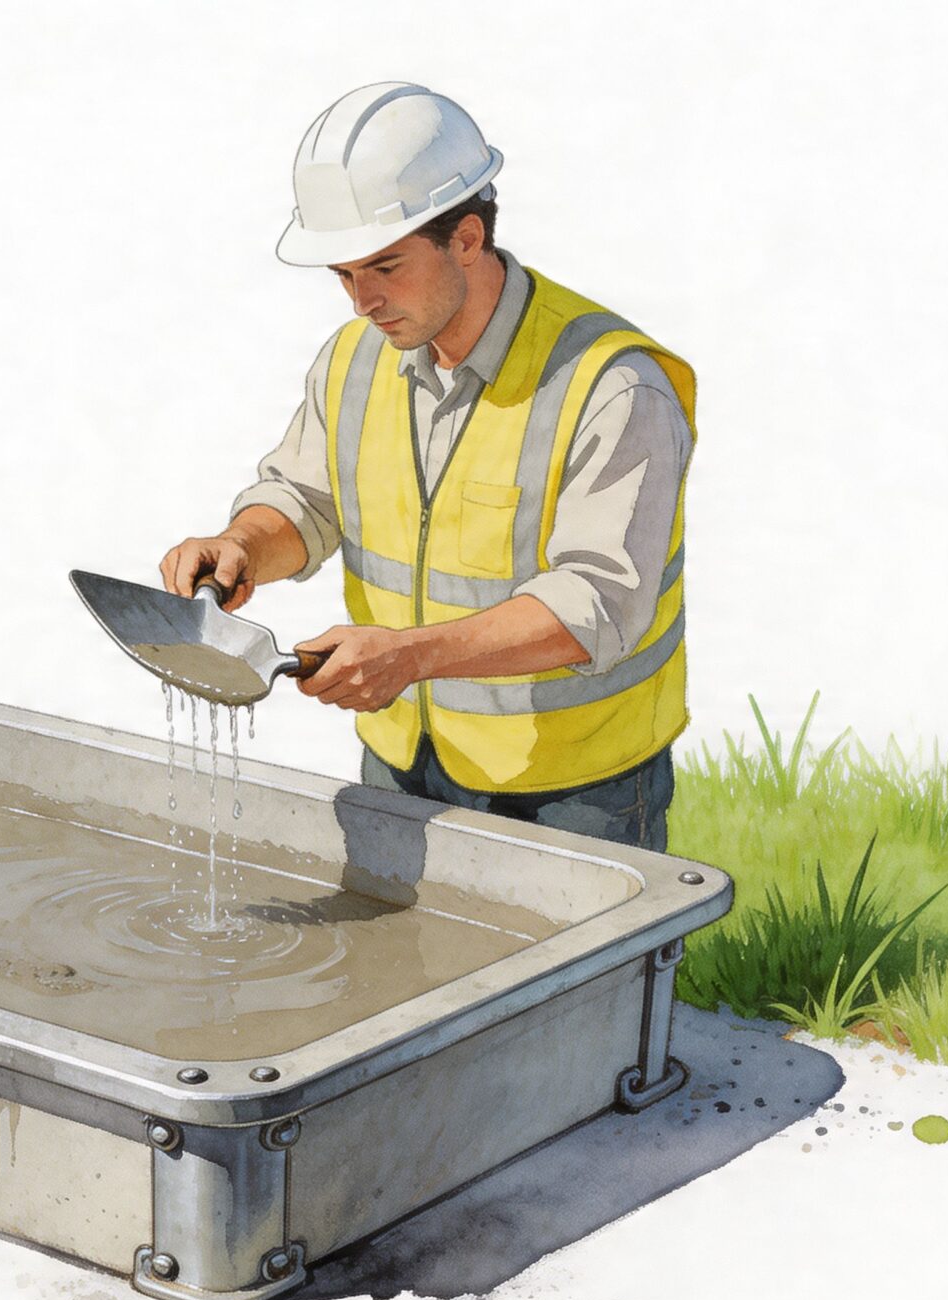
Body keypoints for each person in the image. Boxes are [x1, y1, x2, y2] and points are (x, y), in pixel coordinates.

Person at [161, 81, 698, 851]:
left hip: (575, 789)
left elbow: (599, 605)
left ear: (468, 238)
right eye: (344, 274)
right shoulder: (355, 360)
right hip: (403, 759)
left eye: (386, 267)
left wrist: (408, 657)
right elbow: (306, 499)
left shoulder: (611, 386)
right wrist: (243, 543)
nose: (362, 302)